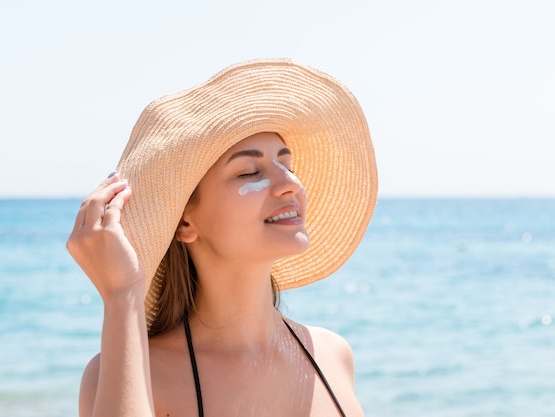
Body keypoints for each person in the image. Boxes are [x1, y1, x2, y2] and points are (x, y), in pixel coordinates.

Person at [67, 58, 377, 417]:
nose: (291, 183)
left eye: (286, 165)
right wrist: (122, 296)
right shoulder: (134, 376)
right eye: (249, 172)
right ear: (184, 223)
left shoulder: (332, 355)